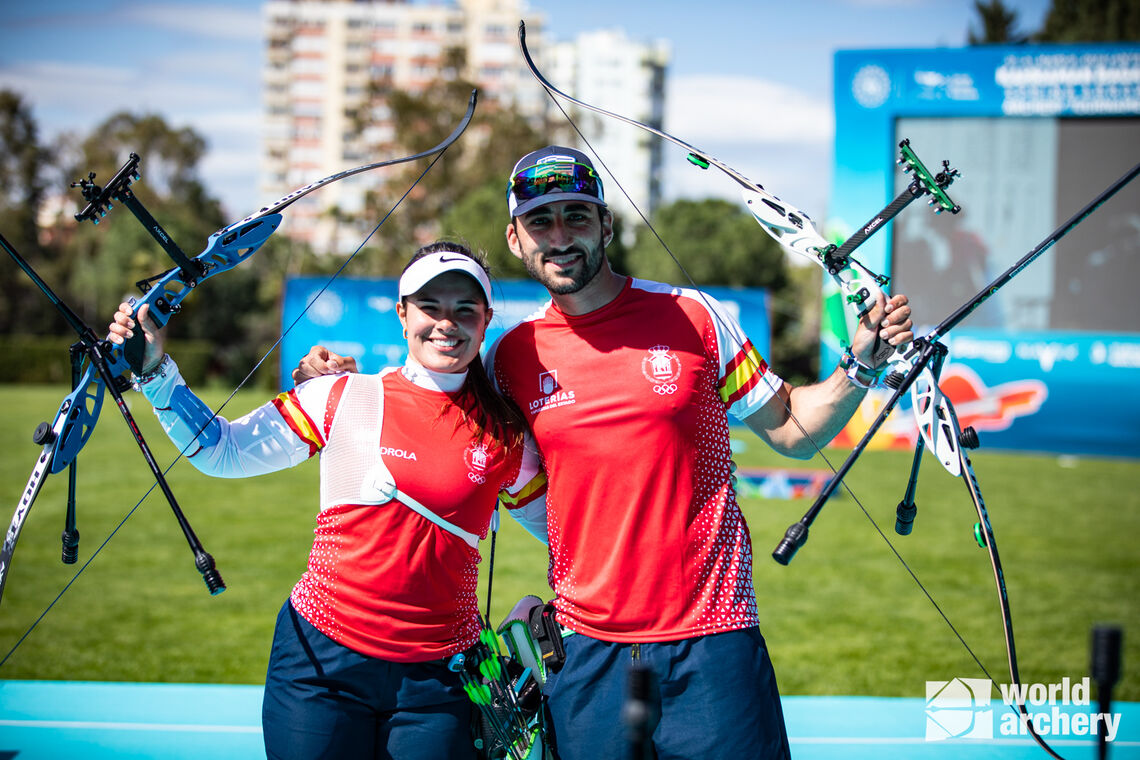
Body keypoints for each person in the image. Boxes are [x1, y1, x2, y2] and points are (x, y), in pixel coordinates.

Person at [296, 147, 915, 760]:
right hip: (585, 648)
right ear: (516, 238)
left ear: (606, 225)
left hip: (714, 637)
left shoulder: (694, 316)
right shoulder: (510, 355)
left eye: (577, 216)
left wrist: (860, 362)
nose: (559, 236)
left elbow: (792, 431)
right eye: (540, 221)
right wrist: (333, 384)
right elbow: (433, 398)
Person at [109, 242, 547, 760]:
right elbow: (220, 450)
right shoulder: (341, 395)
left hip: (439, 681)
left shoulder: (507, 436)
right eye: (430, 306)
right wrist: (158, 373)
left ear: (486, 319)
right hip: (321, 665)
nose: (446, 323)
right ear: (403, 313)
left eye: (464, 309)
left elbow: (560, 530)